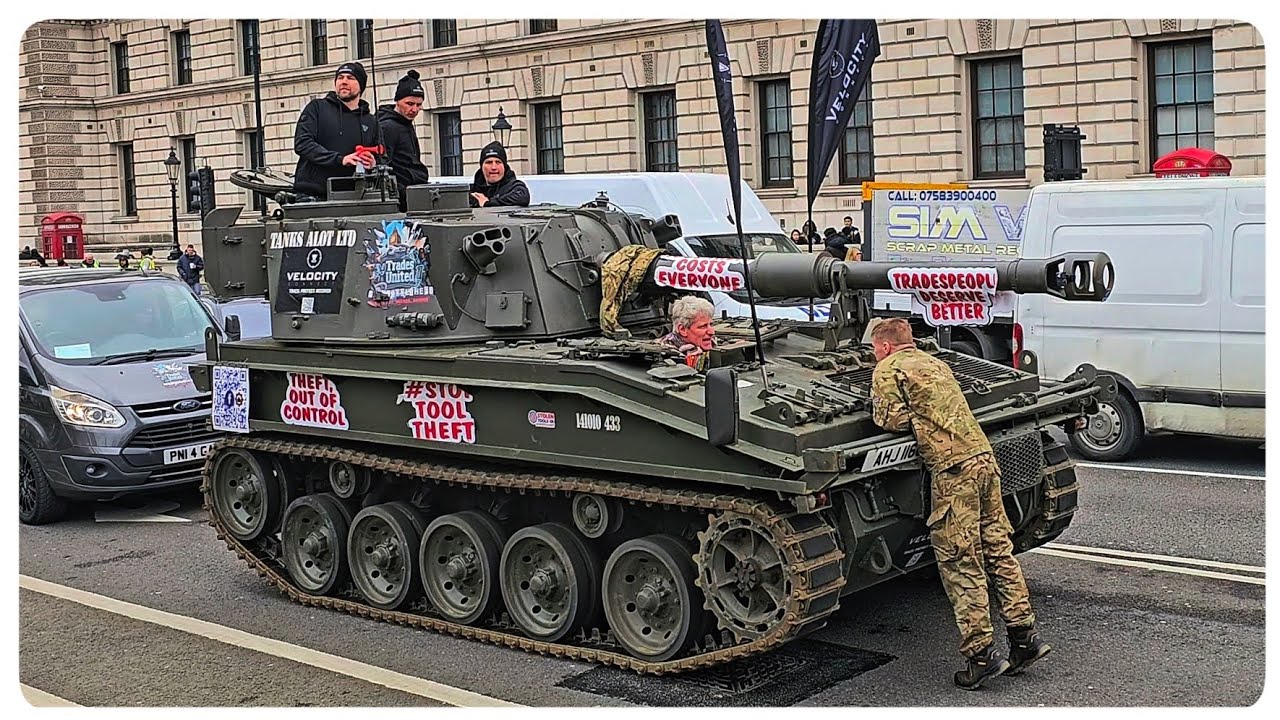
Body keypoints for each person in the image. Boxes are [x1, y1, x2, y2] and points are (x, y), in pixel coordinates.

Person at [868, 317, 1051, 690]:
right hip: (983, 459)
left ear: (884, 346)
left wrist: (913, 418)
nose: (875, 356)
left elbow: (886, 419)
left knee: (959, 559)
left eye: (875, 350)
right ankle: (1024, 638)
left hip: (953, 471)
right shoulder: (935, 362)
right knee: (998, 549)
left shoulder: (888, 368)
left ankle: (981, 656)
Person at [292, 61, 380, 200]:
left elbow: (383, 156)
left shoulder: (371, 121)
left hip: (356, 197)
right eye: (340, 77)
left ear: (361, 85)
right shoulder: (317, 108)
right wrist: (340, 159)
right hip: (313, 196)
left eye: (350, 78)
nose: (344, 82)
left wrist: (373, 164)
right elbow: (302, 143)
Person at [377, 70, 430, 211]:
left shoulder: (405, 124)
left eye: (419, 105)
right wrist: (402, 194)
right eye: (410, 103)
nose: (414, 109)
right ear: (398, 101)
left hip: (414, 192)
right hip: (405, 197)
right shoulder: (388, 127)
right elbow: (383, 166)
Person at [658, 295, 716, 371]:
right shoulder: (664, 354)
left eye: (711, 324)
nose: (712, 332)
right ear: (682, 329)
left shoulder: (711, 341)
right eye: (703, 326)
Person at [469, 142, 530, 208]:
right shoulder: (472, 190)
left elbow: (522, 197)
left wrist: (488, 203)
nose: (493, 167)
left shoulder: (514, 187)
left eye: (498, 162)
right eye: (489, 162)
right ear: (481, 166)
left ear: (504, 166)